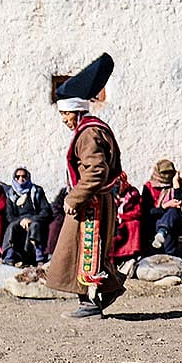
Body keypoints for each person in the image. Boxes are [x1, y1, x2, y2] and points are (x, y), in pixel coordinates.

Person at [45, 53, 125, 319]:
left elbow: (96, 170)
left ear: (76, 111)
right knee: (87, 250)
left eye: (66, 114)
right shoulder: (93, 129)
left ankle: (91, 302)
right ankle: (109, 289)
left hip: (91, 203)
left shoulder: (88, 133)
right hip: (94, 200)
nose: (65, 120)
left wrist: (74, 198)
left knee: (84, 250)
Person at [0, 167, 52, 264]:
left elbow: (45, 210)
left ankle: (39, 257)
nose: (21, 179)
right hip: (18, 221)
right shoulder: (10, 195)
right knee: (11, 227)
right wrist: (21, 221)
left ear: (28, 177)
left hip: (34, 219)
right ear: (14, 178)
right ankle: (9, 257)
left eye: (24, 176)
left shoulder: (36, 191)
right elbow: (9, 216)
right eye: (17, 177)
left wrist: (31, 219)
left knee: (35, 226)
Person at [141, 159, 182, 256]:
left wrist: (176, 185)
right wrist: (165, 206)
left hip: (174, 220)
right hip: (154, 220)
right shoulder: (149, 187)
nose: (167, 175)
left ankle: (162, 232)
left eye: (170, 173)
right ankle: (163, 235)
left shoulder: (175, 184)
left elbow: (179, 202)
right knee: (168, 229)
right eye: (165, 172)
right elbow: (147, 211)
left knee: (173, 211)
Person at [111, 171, 142, 263]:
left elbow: (138, 211)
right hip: (110, 219)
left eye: (118, 183)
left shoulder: (132, 193)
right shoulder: (106, 194)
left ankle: (131, 255)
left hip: (126, 219)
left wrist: (122, 216)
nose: (116, 186)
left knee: (135, 224)